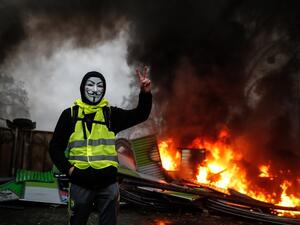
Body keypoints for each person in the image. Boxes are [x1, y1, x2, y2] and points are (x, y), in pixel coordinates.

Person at [49, 66, 152, 225]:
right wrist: (70, 170)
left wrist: (145, 93)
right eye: (90, 84)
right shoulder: (70, 115)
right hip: (80, 181)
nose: (95, 90)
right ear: (82, 87)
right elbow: (55, 148)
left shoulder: (111, 115)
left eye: (100, 86)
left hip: (108, 184)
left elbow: (140, 114)